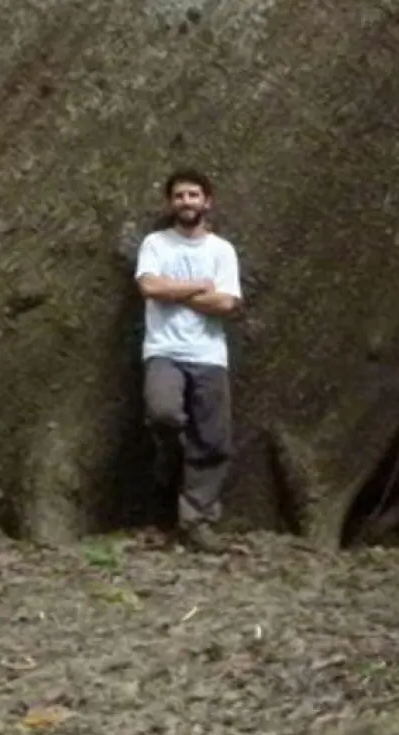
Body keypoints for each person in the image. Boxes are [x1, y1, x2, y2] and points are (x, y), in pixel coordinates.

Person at [134, 168, 243, 552]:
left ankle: (195, 518)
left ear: (207, 201)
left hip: (209, 355)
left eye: (193, 195)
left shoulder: (221, 251)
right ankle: (173, 471)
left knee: (212, 439)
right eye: (179, 196)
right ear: (170, 203)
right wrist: (199, 287)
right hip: (164, 350)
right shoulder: (156, 244)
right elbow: (149, 286)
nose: (186, 202)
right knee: (163, 414)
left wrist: (171, 290)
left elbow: (227, 302)